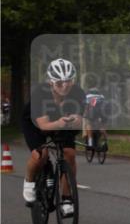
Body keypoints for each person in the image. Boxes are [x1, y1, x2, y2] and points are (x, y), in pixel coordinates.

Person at [21, 58, 85, 215]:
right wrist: (59, 123)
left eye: (68, 81)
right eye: (59, 83)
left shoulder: (77, 93)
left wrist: (77, 119)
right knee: (40, 155)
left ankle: (67, 198)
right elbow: (44, 126)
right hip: (36, 124)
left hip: (62, 122)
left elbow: (80, 118)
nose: (64, 86)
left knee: (69, 154)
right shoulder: (40, 94)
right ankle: (29, 181)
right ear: (50, 82)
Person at [83, 85, 109, 151]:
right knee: (102, 129)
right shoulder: (102, 98)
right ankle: (106, 142)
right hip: (103, 116)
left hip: (92, 116)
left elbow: (85, 108)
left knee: (89, 127)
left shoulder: (88, 98)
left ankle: (90, 143)